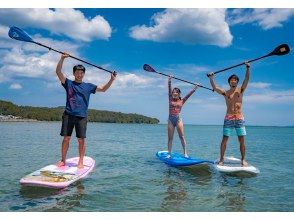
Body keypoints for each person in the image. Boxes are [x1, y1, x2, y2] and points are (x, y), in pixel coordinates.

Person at [55, 52, 117, 169]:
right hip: (68, 114)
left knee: (81, 140)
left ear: (83, 74)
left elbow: (103, 89)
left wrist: (112, 79)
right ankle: (63, 160)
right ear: (74, 73)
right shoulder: (68, 83)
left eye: (81, 73)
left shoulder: (88, 86)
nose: (79, 74)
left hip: (81, 116)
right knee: (66, 138)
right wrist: (62, 59)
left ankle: (81, 161)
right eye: (77, 72)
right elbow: (58, 72)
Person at [208, 62, 250, 166]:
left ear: (237, 82)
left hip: (239, 118)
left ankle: (243, 159)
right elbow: (215, 87)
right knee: (225, 140)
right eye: (232, 80)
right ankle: (221, 159)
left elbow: (247, 79)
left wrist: (248, 68)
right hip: (229, 118)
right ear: (229, 82)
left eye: (235, 80)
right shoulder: (226, 93)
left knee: (242, 141)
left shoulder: (241, 90)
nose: (233, 81)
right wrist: (211, 77)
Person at [167, 75, 198, 158]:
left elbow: (189, 95)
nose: (174, 93)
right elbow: (169, 88)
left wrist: (195, 88)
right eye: (173, 92)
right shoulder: (170, 98)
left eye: (176, 92)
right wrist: (169, 80)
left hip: (178, 119)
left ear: (179, 93)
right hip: (170, 120)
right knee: (170, 138)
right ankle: (169, 154)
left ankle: (185, 153)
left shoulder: (182, 101)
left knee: (182, 136)